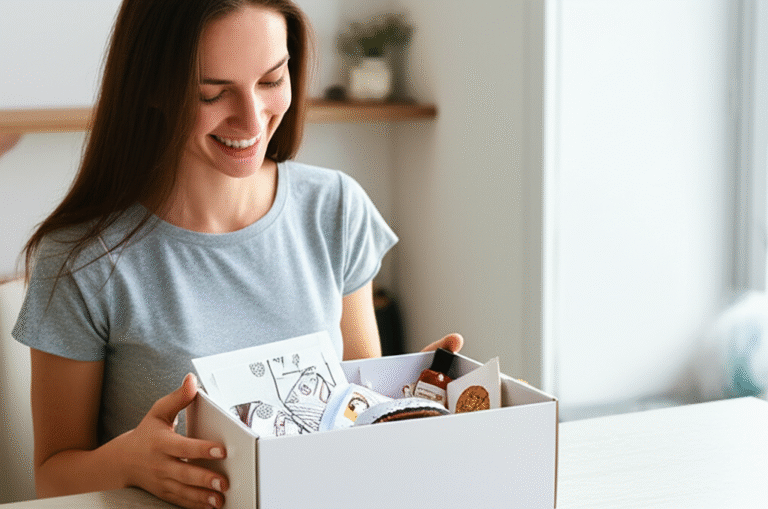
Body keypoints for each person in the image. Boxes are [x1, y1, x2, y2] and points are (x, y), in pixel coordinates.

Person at [11, 1, 463, 509]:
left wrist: (408, 398)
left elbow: (355, 415)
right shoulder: (82, 258)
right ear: (153, 86)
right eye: (213, 92)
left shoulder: (335, 209)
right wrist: (128, 463)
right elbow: (51, 478)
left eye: (271, 80)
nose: (252, 118)